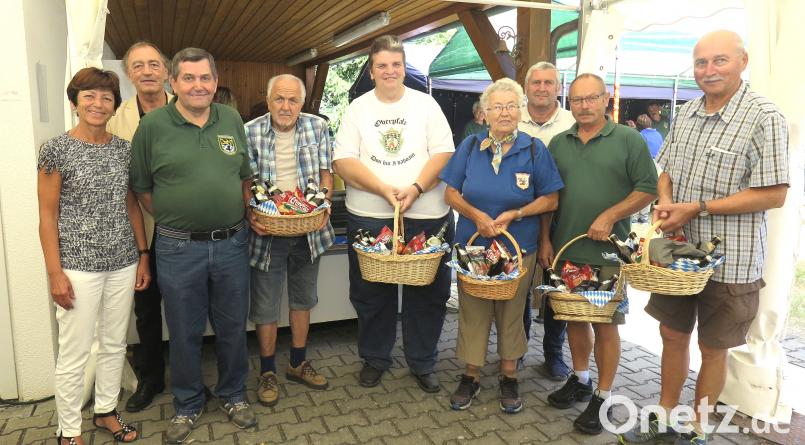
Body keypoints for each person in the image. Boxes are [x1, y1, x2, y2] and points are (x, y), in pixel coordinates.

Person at [619, 30, 789, 445]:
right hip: (676, 259)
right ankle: (663, 415)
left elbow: (774, 193)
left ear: (743, 61)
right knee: (672, 336)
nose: (708, 71)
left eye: (719, 61)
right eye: (700, 63)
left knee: (714, 348)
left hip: (732, 259)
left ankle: (697, 427)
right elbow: (666, 170)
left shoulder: (764, 116)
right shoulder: (689, 111)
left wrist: (698, 208)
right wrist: (665, 205)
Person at [129, 47, 256, 443]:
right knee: (183, 331)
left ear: (215, 83)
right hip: (178, 249)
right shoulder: (152, 127)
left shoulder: (231, 119)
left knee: (233, 327)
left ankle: (233, 395)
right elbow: (143, 190)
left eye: (205, 78)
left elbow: (244, 179)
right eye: (189, 78)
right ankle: (187, 404)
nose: (198, 85)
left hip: (233, 244)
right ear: (173, 83)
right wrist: (179, 217)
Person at [333, 35, 455, 392]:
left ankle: (422, 361)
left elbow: (444, 154)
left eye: (396, 65)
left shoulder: (427, 105)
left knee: (429, 292)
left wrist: (416, 188)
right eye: (382, 65)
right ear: (371, 71)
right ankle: (375, 358)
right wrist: (384, 190)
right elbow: (343, 161)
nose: (389, 71)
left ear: (404, 68)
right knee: (371, 291)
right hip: (370, 213)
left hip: (427, 212)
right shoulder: (358, 109)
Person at [540, 73, 657, 435]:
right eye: (577, 100)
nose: (584, 106)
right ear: (568, 103)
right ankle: (581, 378)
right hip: (566, 250)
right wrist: (545, 239)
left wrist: (611, 215)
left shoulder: (628, 139)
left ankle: (603, 396)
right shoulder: (559, 142)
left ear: (605, 99)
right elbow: (548, 198)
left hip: (608, 255)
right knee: (575, 317)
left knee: (604, 323)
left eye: (591, 98)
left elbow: (648, 188)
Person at [38, 67, 150, 445]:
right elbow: (47, 216)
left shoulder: (124, 149)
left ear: (114, 106)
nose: (98, 104)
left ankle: (105, 412)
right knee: (74, 351)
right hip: (77, 268)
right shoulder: (56, 149)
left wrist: (143, 255)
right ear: (75, 103)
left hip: (122, 262)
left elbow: (131, 205)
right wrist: (55, 272)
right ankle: (68, 431)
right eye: (89, 96)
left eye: (106, 98)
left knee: (115, 343)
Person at [440, 78, 563, 413]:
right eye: (498, 106)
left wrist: (517, 212)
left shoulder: (534, 149)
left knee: (512, 313)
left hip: (518, 249)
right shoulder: (469, 147)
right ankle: (471, 375)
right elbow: (449, 193)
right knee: (473, 311)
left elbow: (551, 199)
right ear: (486, 112)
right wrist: (476, 214)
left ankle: (510, 376)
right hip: (474, 248)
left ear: (520, 110)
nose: (505, 112)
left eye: (511, 105)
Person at [244, 74, 334, 407]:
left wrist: (322, 203)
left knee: (303, 299)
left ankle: (298, 363)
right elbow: (245, 181)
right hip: (267, 233)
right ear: (268, 101)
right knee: (265, 305)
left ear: (302, 102)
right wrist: (251, 213)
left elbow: (327, 174)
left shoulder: (318, 127)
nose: (286, 107)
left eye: (293, 100)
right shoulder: (250, 131)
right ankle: (267, 370)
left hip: (309, 231)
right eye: (279, 99)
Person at [106, 40, 171, 413]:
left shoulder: (187, 110)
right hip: (139, 228)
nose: (147, 71)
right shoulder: (117, 120)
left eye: (153, 64)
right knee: (146, 308)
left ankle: (189, 379)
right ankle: (150, 378)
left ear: (165, 71)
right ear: (129, 74)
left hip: (183, 227)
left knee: (184, 307)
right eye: (138, 66)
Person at [518, 61, 576, 381]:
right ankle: (520, 348)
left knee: (558, 288)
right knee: (520, 287)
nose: (542, 88)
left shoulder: (571, 123)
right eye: (536, 82)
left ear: (558, 88)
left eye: (548, 83)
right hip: (520, 219)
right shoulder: (513, 120)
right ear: (526, 87)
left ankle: (553, 353)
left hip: (564, 218)